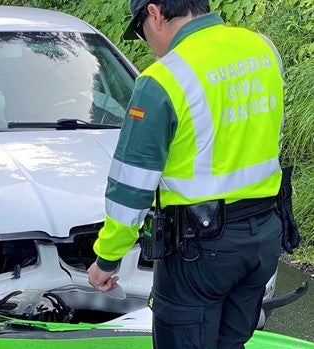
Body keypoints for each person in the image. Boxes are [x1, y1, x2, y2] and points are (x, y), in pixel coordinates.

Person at [87, 0, 285, 348]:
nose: (149, 42)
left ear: (155, 13)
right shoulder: (261, 49)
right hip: (263, 239)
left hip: (200, 252)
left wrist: (107, 258)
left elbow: (131, 186)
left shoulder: (163, 79)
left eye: (142, 30)